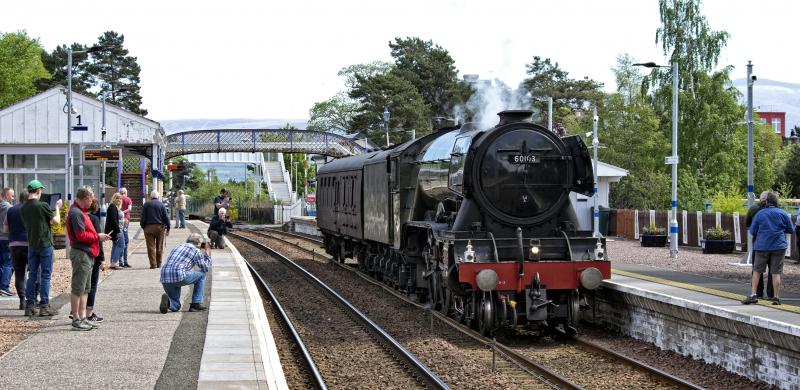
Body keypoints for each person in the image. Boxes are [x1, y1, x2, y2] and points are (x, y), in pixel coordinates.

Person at [66, 186, 109, 330]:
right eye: (91, 199)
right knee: (78, 288)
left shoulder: (80, 212)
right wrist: (98, 237)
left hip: (87, 253)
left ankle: (83, 317)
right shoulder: (76, 213)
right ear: (85, 198)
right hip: (81, 253)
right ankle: (77, 319)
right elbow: (81, 235)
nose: (92, 203)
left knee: (85, 288)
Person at [743, 192, 794, 305]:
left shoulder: (760, 214)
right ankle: (776, 297)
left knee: (757, 271)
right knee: (776, 272)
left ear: (766, 202)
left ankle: (753, 295)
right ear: (776, 202)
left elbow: (752, 231)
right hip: (779, 246)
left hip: (762, 246)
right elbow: (791, 229)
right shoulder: (783, 213)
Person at [21, 180, 62, 317]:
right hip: (45, 244)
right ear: (38, 191)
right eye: (41, 190)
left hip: (32, 245)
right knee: (45, 275)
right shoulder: (43, 205)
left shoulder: (24, 207)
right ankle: (44, 305)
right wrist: (57, 208)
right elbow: (56, 221)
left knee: (32, 275)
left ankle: (30, 305)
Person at [159, 233, 211, 313]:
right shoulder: (196, 250)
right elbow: (205, 267)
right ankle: (195, 304)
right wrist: (207, 253)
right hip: (179, 275)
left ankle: (168, 302)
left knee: (176, 306)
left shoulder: (178, 246)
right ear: (198, 243)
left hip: (165, 276)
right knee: (201, 275)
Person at [3, 191, 31, 309]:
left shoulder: (11, 210)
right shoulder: (31, 210)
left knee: (19, 273)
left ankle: (22, 300)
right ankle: (32, 299)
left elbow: (5, 229)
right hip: (29, 244)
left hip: (14, 245)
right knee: (34, 272)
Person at [745, 191, 773, 299]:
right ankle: (772, 294)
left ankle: (757, 293)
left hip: (759, 243)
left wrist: (754, 231)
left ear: (760, 199)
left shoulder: (754, 209)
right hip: (775, 244)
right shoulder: (778, 210)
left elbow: (747, 224)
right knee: (774, 270)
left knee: (757, 269)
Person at [85, 198, 106, 323]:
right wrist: (101, 259)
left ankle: (76, 310)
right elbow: (98, 241)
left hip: (80, 253)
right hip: (92, 255)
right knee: (92, 285)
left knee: (80, 285)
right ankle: (89, 312)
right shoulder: (94, 219)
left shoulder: (79, 216)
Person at [140, 191, 170, 268]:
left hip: (148, 227)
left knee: (150, 247)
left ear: (150, 196)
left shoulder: (146, 204)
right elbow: (166, 217)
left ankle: (153, 264)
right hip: (159, 228)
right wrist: (168, 227)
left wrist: (143, 226)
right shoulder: (161, 205)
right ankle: (159, 264)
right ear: (158, 196)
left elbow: (143, 217)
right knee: (159, 246)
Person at [0, 187, 15, 296]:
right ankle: (4, 286)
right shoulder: (10, 208)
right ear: (6, 196)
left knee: (1, 263)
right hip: (6, 238)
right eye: (12, 195)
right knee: (9, 263)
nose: (13, 198)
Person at [106, 193, 124, 269]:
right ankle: (114, 262)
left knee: (115, 245)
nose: (119, 199)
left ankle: (112, 262)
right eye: (117, 198)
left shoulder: (113, 207)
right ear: (113, 198)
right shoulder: (112, 207)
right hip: (116, 229)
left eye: (120, 198)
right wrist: (118, 231)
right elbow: (114, 220)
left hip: (115, 229)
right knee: (121, 245)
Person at [119, 187, 133, 268]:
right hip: (126, 220)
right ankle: (125, 261)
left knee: (121, 240)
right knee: (126, 241)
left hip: (119, 220)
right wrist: (124, 212)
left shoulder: (118, 199)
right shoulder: (128, 199)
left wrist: (120, 212)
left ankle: (120, 261)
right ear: (126, 192)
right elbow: (129, 209)